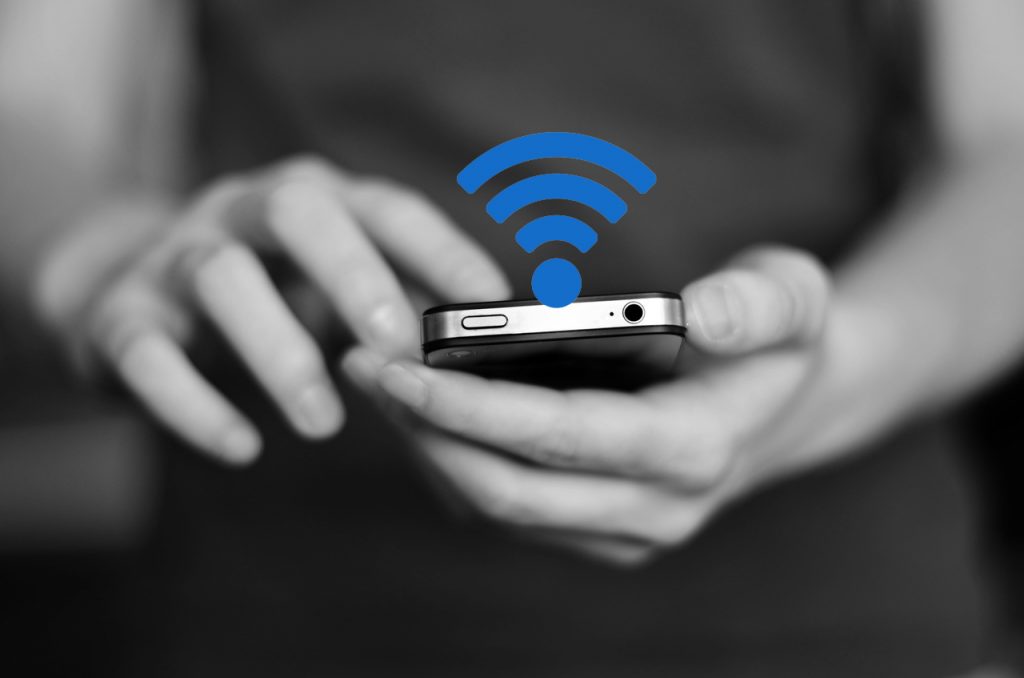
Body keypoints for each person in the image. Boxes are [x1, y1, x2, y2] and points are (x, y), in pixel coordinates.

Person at [2, 0, 1024, 675]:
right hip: (285, 615)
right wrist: (102, 258)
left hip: (836, 621)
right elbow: (24, 110)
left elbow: (1007, 145)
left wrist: (842, 362)